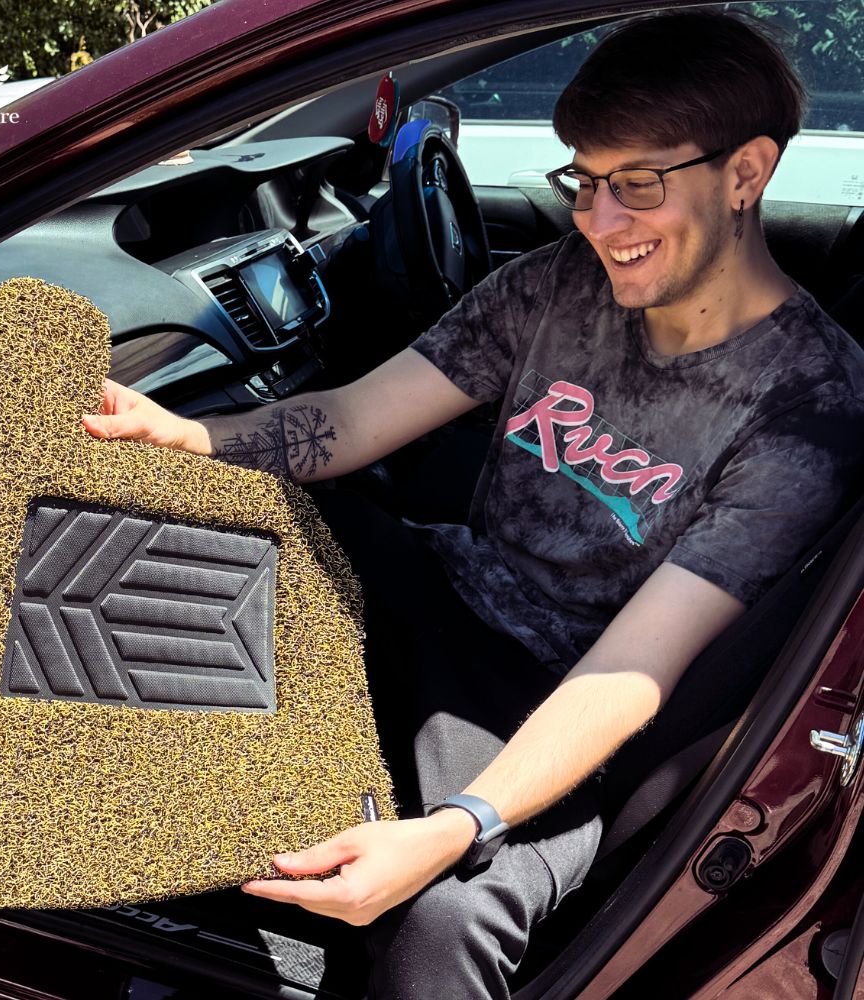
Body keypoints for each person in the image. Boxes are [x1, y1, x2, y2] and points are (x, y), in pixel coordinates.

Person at [83, 10, 864, 997]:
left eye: (636, 185)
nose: (598, 221)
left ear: (745, 172)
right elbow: (357, 418)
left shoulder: (810, 407)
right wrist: (183, 437)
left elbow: (634, 666)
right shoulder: (561, 284)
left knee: (444, 920)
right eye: (584, 181)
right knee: (166, 535)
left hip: (562, 693)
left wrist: (462, 824)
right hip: (448, 588)